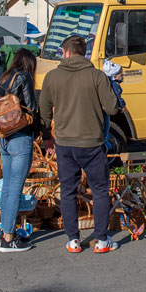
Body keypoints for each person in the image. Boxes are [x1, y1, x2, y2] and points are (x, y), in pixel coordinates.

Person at [39, 35, 119, 254]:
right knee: (100, 190)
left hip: (64, 142)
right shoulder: (97, 76)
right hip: (91, 142)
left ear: (66, 52)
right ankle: (101, 240)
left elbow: (44, 110)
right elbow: (112, 108)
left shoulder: (52, 77)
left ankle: (73, 239)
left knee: (68, 191)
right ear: (84, 53)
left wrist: (46, 135)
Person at [0, 47, 39, 253]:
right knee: (15, 188)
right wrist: (39, 132)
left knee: (7, 187)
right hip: (20, 136)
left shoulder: (3, 79)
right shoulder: (24, 77)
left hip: (4, 135)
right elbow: (31, 107)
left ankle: (5, 230)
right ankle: (9, 238)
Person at [100, 59, 126, 152]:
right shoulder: (115, 85)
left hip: (102, 107)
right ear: (114, 76)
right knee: (106, 125)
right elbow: (118, 97)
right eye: (121, 75)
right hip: (106, 109)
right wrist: (122, 105)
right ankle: (106, 142)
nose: (122, 76)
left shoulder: (105, 82)